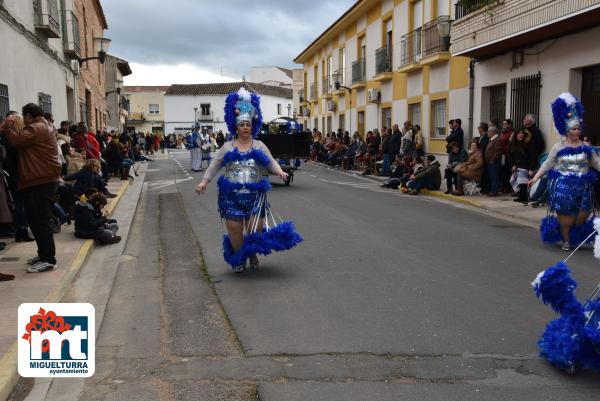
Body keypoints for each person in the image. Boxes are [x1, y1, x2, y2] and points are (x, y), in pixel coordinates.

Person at [195, 88, 302, 273]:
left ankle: (252, 254)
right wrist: (204, 182)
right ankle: (239, 258)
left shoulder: (259, 145)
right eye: (242, 124)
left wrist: (280, 172)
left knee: (254, 231)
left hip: (255, 196)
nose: (245, 127)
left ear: (252, 126)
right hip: (231, 197)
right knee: (235, 229)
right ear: (236, 127)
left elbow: (270, 162)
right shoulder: (227, 147)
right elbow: (214, 165)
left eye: (248, 124)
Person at [530, 93, 600, 251]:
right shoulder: (558, 147)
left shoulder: (586, 147)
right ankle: (567, 240)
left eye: (578, 128)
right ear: (567, 130)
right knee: (566, 220)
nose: (577, 131)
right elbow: (548, 164)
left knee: (583, 216)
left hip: (583, 189)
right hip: (563, 189)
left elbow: (597, 163)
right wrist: (535, 177)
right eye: (574, 129)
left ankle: (571, 233)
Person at [2, 103, 61, 273]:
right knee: (36, 222)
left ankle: (49, 259)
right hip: (41, 180)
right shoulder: (46, 125)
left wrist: (9, 125)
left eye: (23, 117)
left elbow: (15, 140)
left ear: (28, 116)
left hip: (40, 181)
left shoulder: (36, 128)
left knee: (40, 222)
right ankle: (43, 255)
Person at [509, 128, 535, 204]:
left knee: (522, 182)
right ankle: (521, 196)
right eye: (519, 133)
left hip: (525, 166)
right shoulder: (514, 144)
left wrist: (531, 168)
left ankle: (524, 197)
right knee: (516, 181)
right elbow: (511, 156)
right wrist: (513, 165)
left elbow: (533, 156)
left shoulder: (528, 143)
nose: (521, 135)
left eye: (522, 133)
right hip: (517, 166)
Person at [484, 126, 503, 196]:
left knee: (494, 177)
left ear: (492, 132)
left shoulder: (497, 139)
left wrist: (492, 159)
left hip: (494, 162)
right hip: (490, 162)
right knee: (492, 176)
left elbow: (498, 151)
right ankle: (492, 190)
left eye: (489, 131)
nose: (487, 133)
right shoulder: (492, 139)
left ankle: (494, 191)